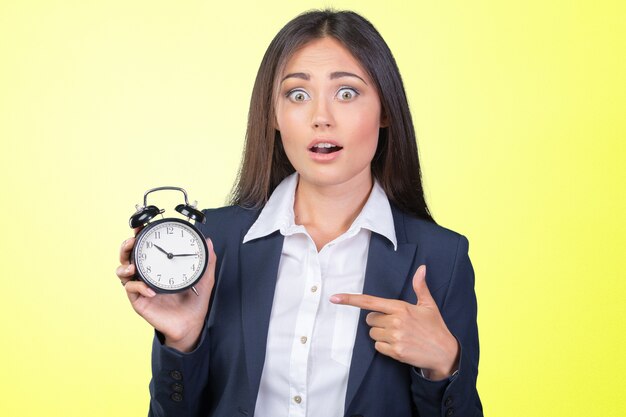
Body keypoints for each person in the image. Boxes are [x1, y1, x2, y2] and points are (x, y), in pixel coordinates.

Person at [116, 9, 482, 417]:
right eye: (298, 95)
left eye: (346, 93)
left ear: (385, 111)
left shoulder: (441, 259)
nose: (321, 118)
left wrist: (443, 366)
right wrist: (182, 343)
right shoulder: (210, 246)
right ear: (273, 115)